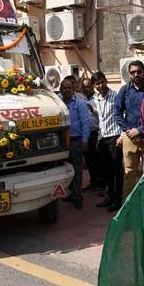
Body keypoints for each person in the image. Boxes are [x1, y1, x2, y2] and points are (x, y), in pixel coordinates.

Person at [114, 60, 144, 199]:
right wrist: (129, 131)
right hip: (129, 137)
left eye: (139, 71)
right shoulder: (124, 90)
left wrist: (140, 130)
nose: (136, 74)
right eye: (133, 72)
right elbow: (117, 114)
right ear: (129, 74)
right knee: (128, 173)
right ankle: (128, 207)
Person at [91, 72, 124, 212]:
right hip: (103, 138)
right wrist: (99, 138)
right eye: (97, 83)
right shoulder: (95, 99)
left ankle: (118, 200)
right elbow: (101, 121)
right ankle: (110, 196)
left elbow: (123, 115)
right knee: (107, 171)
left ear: (106, 81)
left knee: (117, 170)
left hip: (115, 137)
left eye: (102, 82)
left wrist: (122, 135)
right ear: (94, 86)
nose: (100, 85)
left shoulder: (116, 96)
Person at [59, 78, 90, 209]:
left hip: (76, 141)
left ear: (73, 90)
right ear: (60, 90)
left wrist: (85, 141)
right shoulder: (58, 103)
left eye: (69, 88)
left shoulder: (80, 103)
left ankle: (78, 197)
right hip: (62, 143)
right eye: (64, 88)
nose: (66, 90)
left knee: (77, 170)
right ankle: (72, 193)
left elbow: (85, 123)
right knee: (66, 170)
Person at [80, 77, 104, 192]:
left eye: (88, 85)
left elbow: (103, 114)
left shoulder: (98, 98)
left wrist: (91, 109)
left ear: (92, 86)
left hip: (97, 133)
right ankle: (93, 182)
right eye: (84, 86)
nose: (86, 88)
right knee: (89, 161)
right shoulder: (81, 99)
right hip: (86, 135)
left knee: (98, 161)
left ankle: (101, 184)